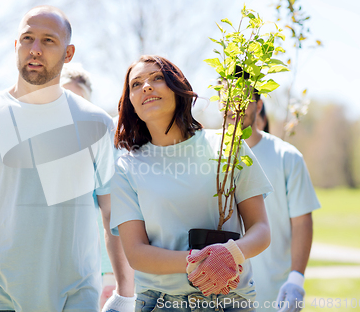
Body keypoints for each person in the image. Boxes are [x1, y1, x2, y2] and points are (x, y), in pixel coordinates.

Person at [0, 5, 130, 311]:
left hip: (76, 296)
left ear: (68, 52)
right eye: (27, 38)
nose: (35, 49)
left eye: (48, 40)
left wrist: (125, 293)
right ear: (15, 45)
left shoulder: (98, 125)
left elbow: (113, 213)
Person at [110, 55, 273, 311]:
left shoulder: (228, 146)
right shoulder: (125, 168)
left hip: (231, 300)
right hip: (161, 303)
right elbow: (136, 253)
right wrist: (198, 261)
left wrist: (231, 253)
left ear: (178, 88)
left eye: (157, 78)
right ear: (130, 103)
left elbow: (261, 229)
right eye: (136, 84)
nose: (147, 86)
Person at [233, 91, 320, 311]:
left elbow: (301, 222)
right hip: (223, 297)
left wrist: (296, 280)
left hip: (274, 296)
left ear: (259, 105)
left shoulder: (287, 157)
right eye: (227, 100)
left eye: (242, 100)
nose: (235, 107)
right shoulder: (211, 159)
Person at [61, 63, 136, 311]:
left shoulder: (106, 147)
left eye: (78, 101)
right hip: (62, 267)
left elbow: (111, 213)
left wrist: (122, 284)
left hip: (106, 267)